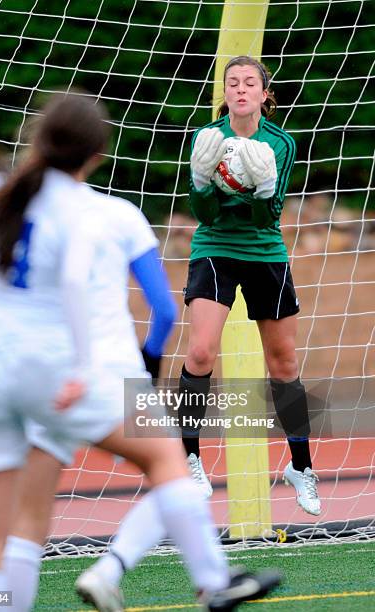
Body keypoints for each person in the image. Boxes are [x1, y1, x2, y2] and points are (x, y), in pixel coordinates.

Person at [0, 92, 281, 612]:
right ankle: (212, 582)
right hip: (61, 372)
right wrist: (95, 366)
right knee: (166, 456)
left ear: (37, 139)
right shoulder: (94, 210)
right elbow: (102, 291)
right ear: (97, 155)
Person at [178, 55, 321, 516]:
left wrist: (260, 190)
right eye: (232, 82)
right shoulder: (206, 138)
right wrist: (203, 182)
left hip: (264, 253)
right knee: (201, 352)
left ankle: (302, 467)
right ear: (225, 92)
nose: (240, 89)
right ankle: (190, 458)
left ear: (264, 94)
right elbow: (206, 215)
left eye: (249, 83)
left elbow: (267, 217)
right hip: (214, 247)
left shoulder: (280, 144)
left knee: (283, 363)